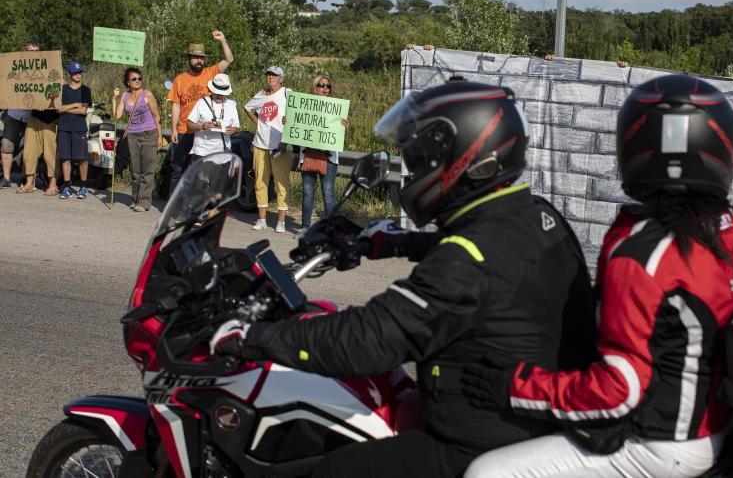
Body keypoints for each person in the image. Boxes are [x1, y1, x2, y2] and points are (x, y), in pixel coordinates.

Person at [211, 79, 597, 477]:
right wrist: (392, 242)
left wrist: (251, 338)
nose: (411, 171)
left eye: (419, 160)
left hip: (473, 444)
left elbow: (368, 339)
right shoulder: (535, 216)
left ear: (464, 158)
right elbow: (488, 260)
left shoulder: (464, 263)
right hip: (529, 424)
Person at [461, 75, 733, 478]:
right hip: (719, 422)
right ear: (720, 147)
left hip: (663, 443)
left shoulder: (642, 256)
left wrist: (516, 386)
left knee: (487, 473)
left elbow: (618, 390)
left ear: (635, 147)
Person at [166, 31, 233, 193]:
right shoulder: (180, 79)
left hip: (205, 132)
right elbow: (176, 105)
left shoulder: (211, 73)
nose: (199, 60)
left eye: (202, 58)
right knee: (178, 170)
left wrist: (223, 40)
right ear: (188, 59)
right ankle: (174, 207)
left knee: (200, 173)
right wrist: (174, 129)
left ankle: (194, 206)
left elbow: (229, 59)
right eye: (195, 57)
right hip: (184, 130)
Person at [297, 74, 350, 232]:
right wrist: (289, 122)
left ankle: (330, 230)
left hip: (329, 158)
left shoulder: (337, 108)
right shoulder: (304, 106)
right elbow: (298, 129)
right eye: (322, 85)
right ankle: (305, 227)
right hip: (308, 155)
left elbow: (337, 136)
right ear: (315, 87)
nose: (325, 88)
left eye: (328, 86)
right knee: (307, 193)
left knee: (328, 193)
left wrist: (344, 128)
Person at [244, 66, 291, 233]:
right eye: (269, 75)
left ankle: (281, 221)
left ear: (281, 78)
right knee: (260, 182)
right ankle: (262, 219)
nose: (271, 78)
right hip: (260, 144)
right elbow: (247, 108)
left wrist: (289, 124)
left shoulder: (287, 93)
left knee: (281, 183)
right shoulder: (261, 94)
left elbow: (297, 114)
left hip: (280, 146)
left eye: (274, 75)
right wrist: (258, 123)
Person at [113, 67, 163, 211]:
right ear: (128, 82)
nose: (137, 81)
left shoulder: (147, 95)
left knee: (147, 169)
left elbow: (156, 117)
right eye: (134, 79)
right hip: (133, 136)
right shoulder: (124, 96)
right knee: (135, 169)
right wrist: (114, 99)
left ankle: (144, 202)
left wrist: (159, 136)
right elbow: (116, 116)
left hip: (149, 134)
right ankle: (135, 199)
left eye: (139, 78)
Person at [1, 41, 40, 188]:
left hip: (33, 115)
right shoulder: (14, 66)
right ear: (24, 52)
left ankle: (27, 178)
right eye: (31, 51)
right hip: (14, 112)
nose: (34, 54)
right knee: (6, 145)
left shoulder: (44, 69)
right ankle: (6, 178)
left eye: (36, 52)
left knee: (31, 149)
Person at [56, 61, 93, 199]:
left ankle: (83, 187)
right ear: (69, 73)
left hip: (79, 128)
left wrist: (66, 108)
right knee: (65, 158)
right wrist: (74, 105)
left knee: (82, 158)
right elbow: (58, 109)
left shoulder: (86, 90)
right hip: (64, 128)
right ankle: (66, 187)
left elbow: (83, 111)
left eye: (79, 72)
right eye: (75, 72)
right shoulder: (62, 89)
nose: (78, 75)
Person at [18, 83, 60, 196]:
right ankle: (29, 184)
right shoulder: (38, 79)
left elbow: (60, 105)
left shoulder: (60, 84)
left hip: (51, 119)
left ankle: (53, 185)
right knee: (29, 152)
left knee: (50, 155)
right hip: (34, 117)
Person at [186, 73, 240, 162]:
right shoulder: (201, 103)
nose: (219, 95)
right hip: (202, 153)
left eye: (222, 93)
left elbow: (236, 126)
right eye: (217, 92)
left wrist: (232, 130)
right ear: (212, 90)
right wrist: (201, 127)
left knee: (222, 176)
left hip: (223, 153)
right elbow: (189, 125)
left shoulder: (231, 104)